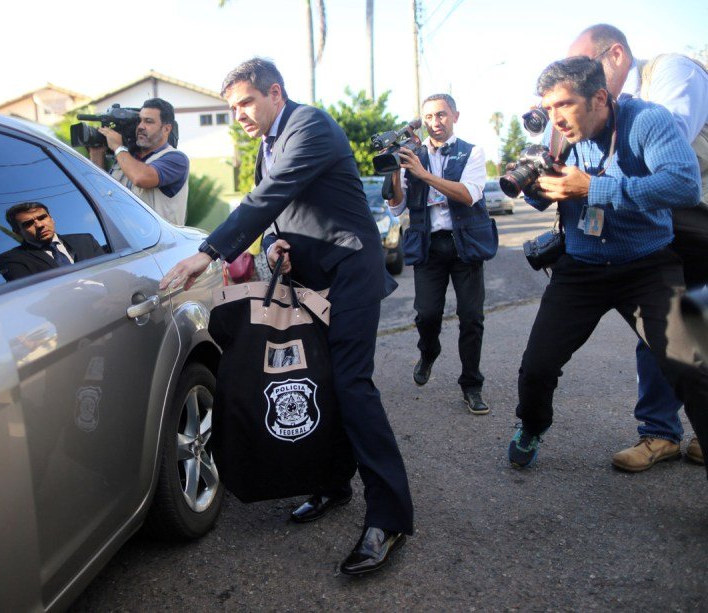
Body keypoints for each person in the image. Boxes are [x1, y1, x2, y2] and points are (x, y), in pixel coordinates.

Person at [159, 58, 414, 575]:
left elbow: (267, 195)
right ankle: (331, 483)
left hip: (349, 270)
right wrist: (274, 246)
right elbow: (276, 217)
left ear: (275, 92)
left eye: (246, 103)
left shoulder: (310, 126)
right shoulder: (265, 146)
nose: (240, 116)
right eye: (231, 108)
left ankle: (390, 516)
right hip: (308, 278)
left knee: (352, 385)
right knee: (317, 382)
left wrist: (208, 251)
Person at [507, 56, 708, 479]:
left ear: (600, 97)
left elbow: (684, 183)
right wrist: (538, 185)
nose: (555, 118)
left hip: (647, 265)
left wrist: (592, 186)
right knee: (537, 367)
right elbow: (542, 200)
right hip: (580, 269)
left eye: (564, 105)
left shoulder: (647, 121)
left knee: (693, 367)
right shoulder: (558, 137)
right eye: (548, 107)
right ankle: (532, 426)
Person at [568, 24, 708, 471]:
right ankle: (659, 432)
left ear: (616, 56)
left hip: (698, 213)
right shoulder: (610, 111)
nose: (577, 80)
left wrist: (592, 181)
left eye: (585, 68)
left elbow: (664, 158)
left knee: (700, 319)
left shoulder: (674, 72)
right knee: (662, 321)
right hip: (665, 216)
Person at [387, 94, 496, 415]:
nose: (435, 123)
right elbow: (396, 207)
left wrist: (422, 173)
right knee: (427, 314)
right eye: (430, 117)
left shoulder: (472, 152)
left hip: (465, 246)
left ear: (455, 116)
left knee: (472, 318)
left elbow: (468, 194)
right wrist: (395, 168)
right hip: (428, 247)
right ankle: (429, 350)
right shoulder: (413, 155)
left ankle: (472, 385)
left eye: (442, 115)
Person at [88, 98, 189, 225]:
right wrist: (97, 153)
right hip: (123, 242)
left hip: (161, 244)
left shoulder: (176, 159)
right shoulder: (125, 158)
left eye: (149, 121)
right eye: (139, 121)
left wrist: (118, 147)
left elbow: (140, 178)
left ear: (166, 129)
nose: (140, 126)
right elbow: (98, 192)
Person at [0, 202, 104, 281]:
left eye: (42, 218)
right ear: (17, 232)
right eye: (28, 224)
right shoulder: (11, 259)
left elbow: (108, 272)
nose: (39, 225)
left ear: (52, 219)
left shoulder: (85, 240)